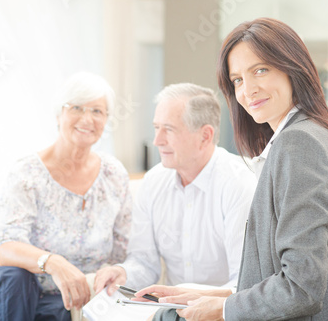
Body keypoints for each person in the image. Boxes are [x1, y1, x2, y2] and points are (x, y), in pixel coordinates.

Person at [138, 17, 328, 321]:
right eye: (237, 80)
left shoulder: (299, 144)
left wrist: (222, 310)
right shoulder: (322, 134)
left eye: (260, 70)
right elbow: (280, 275)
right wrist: (207, 295)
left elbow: (302, 288)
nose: (248, 90)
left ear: (293, 68)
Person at [0, 72, 132, 321]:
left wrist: (111, 274)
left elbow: (121, 251)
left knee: (63, 311)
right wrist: (54, 263)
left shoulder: (114, 175)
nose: (87, 118)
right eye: (77, 108)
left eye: (97, 111)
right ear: (59, 114)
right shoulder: (27, 173)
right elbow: (7, 249)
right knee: (17, 281)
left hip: (53, 295)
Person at [93, 83, 257, 296]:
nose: (157, 140)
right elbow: (144, 262)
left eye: (168, 129)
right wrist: (123, 273)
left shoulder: (240, 185)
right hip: (170, 311)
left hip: (224, 312)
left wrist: (193, 299)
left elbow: (245, 284)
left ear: (205, 136)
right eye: (156, 128)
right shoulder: (152, 182)